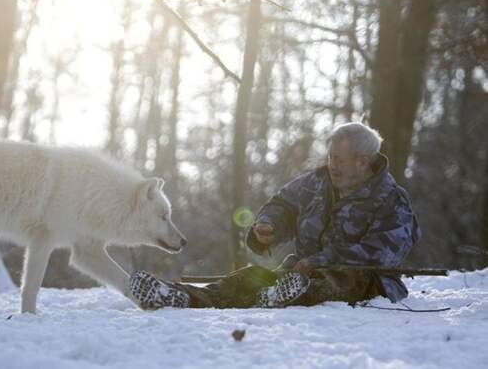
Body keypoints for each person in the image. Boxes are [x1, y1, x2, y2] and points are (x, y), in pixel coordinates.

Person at [129, 122, 422, 309]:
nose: (332, 165)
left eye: (339, 160)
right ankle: (179, 296)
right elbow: (282, 204)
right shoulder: (317, 182)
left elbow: (379, 256)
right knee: (249, 278)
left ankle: (284, 294)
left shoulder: (393, 202)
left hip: (364, 283)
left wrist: (317, 262)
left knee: (339, 281)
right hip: (297, 272)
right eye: (330, 157)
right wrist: (268, 225)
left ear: (362, 162)